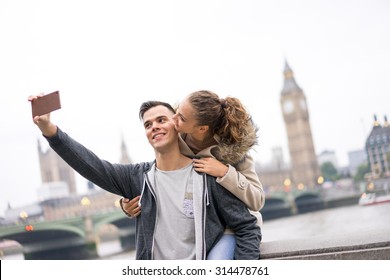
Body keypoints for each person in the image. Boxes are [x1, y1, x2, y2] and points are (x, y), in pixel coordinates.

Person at [28, 96, 261, 260]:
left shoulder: (207, 172)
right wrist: (50, 130)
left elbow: (247, 227)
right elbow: (92, 166)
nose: (154, 127)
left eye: (161, 120)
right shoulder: (138, 178)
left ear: (178, 126)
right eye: (148, 124)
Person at [122, 90, 265, 260]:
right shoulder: (175, 138)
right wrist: (126, 204)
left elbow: (258, 200)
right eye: (176, 113)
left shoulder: (234, 150)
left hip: (228, 226)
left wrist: (225, 173)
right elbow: (160, 175)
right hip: (195, 226)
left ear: (202, 128)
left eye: (181, 118)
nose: (174, 119)